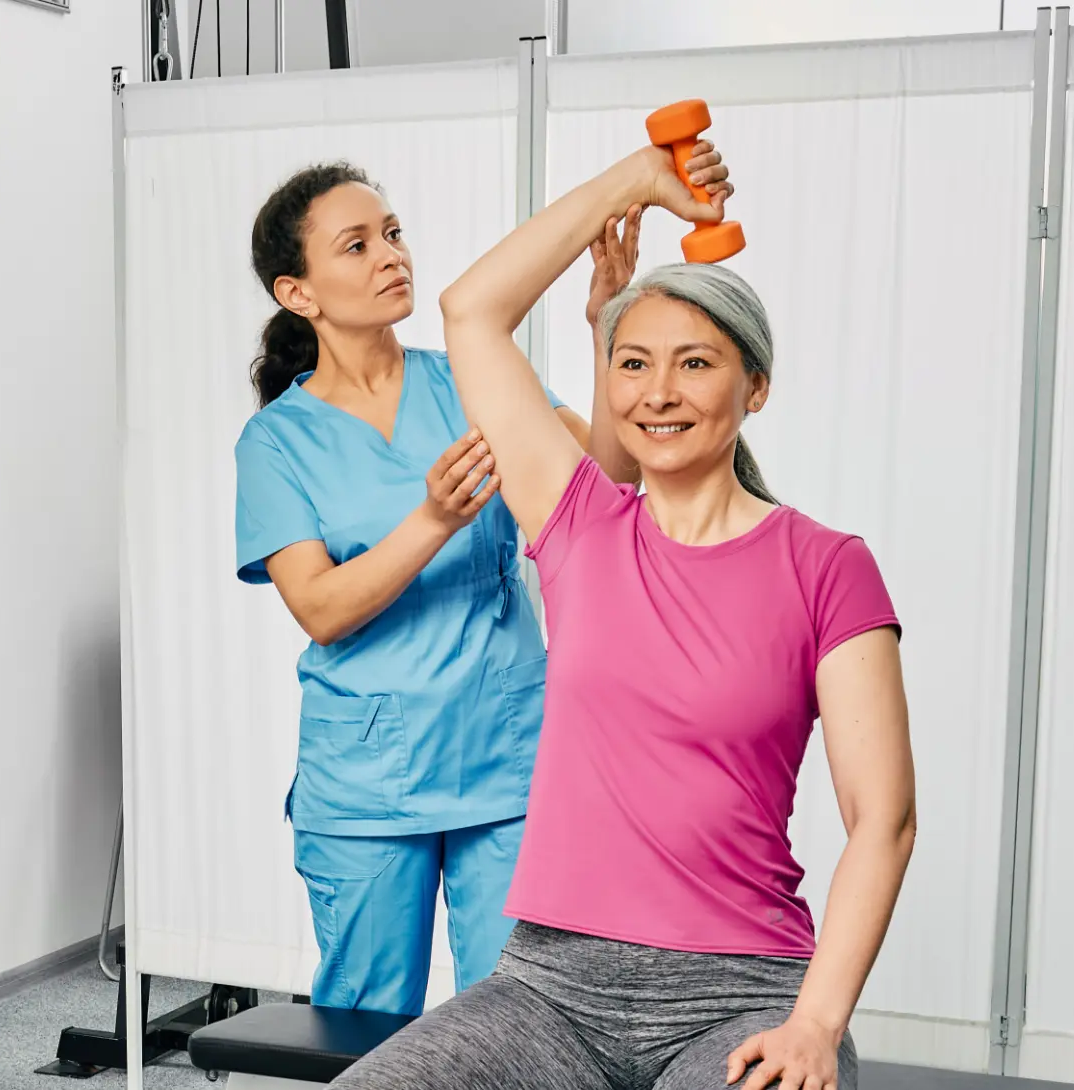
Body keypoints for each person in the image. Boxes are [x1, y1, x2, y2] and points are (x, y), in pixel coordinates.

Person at [333, 141, 916, 1090]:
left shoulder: (828, 567)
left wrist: (816, 1023)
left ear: (752, 387)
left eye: (695, 364)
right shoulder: (578, 526)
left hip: (745, 992)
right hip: (547, 990)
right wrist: (639, 179)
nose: (657, 392)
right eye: (632, 363)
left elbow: (882, 818)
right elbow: (472, 310)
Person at [233, 149, 735, 1016]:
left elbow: (603, 485)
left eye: (392, 234)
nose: (392, 256)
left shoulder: (470, 381)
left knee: (517, 1017)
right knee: (366, 1023)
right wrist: (433, 519)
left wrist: (605, 326)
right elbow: (320, 609)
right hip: (366, 782)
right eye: (356, 246)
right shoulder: (276, 444)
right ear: (298, 293)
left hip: (505, 760)